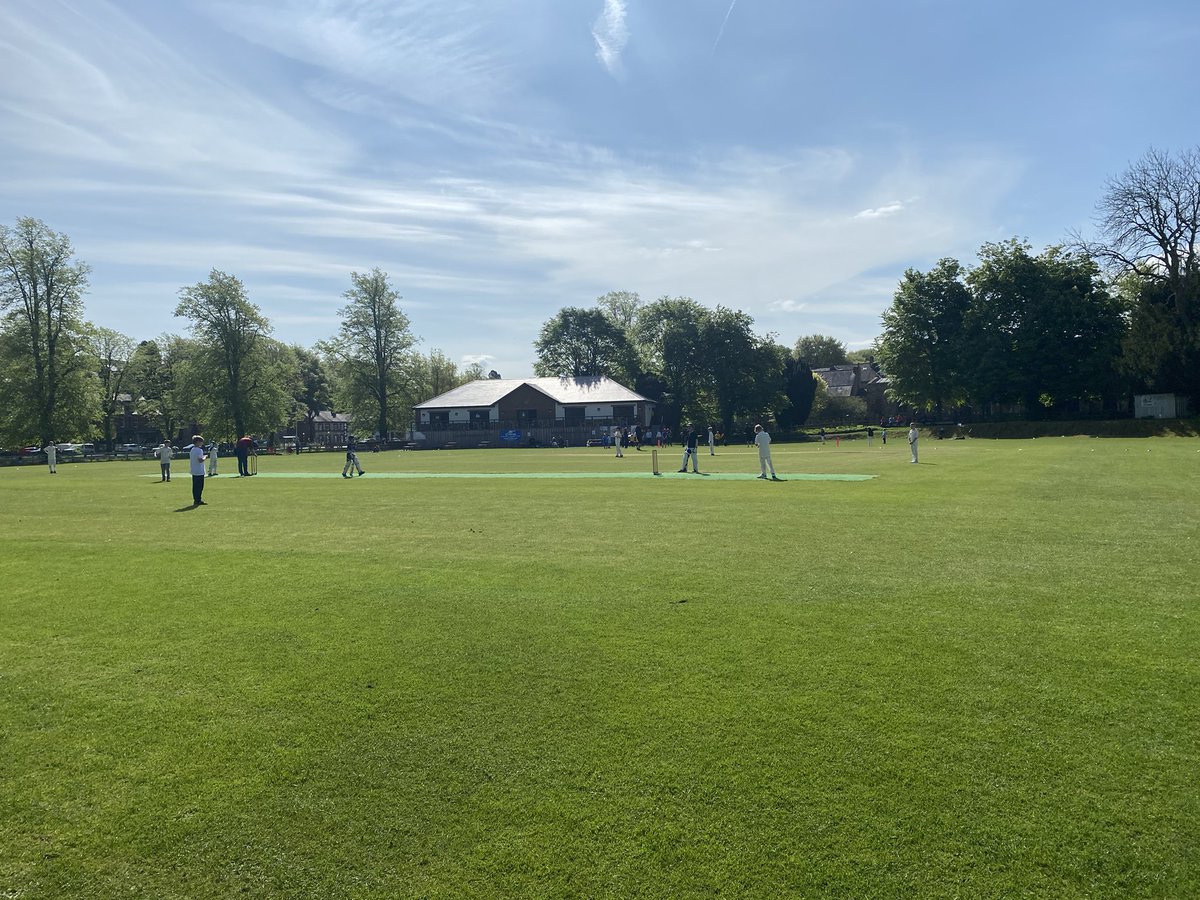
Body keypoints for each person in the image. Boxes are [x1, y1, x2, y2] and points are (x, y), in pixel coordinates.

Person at [188, 435, 208, 506]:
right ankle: (198, 500)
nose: (202, 443)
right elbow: (200, 460)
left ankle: (196, 500)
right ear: (198, 442)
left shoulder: (192, 450)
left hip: (194, 470)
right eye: (201, 442)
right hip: (199, 471)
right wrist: (205, 457)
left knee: (195, 487)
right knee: (199, 487)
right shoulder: (199, 450)